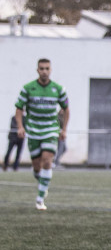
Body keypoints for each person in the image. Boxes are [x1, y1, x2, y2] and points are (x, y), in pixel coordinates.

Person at [14, 58, 69, 210]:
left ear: (50, 70)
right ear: (37, 70)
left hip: (51, 129)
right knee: (37, 167)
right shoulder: (28, 88)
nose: (44, 71)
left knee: (47, 161)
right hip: (33, 130)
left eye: (47, 68)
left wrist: (63, 129)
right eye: (41, 68)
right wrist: (20, 127)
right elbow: (19, 109)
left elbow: (66, 109)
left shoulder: (58, 89)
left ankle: (40, 198)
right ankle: (43, 184)